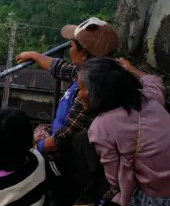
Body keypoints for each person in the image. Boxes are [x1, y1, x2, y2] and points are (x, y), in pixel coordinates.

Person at [75, 57, 170, 206]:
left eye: (82, 88)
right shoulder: (147, 98)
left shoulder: (102, 127)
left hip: (155, 203)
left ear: (96, 93)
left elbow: (114, 180)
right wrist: (131, 69)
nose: (79, 93)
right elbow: (154, 81)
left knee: (83, 144)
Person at [16, 17, 119, 155]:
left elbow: (63, 139)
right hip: (56, 136)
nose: (70, 50)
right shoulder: (90, 72)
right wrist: (34, 55)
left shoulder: (91, 92)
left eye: (71, 46)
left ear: (83, 54)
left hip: (64, 155)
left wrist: (35, 149)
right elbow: (60, 67)